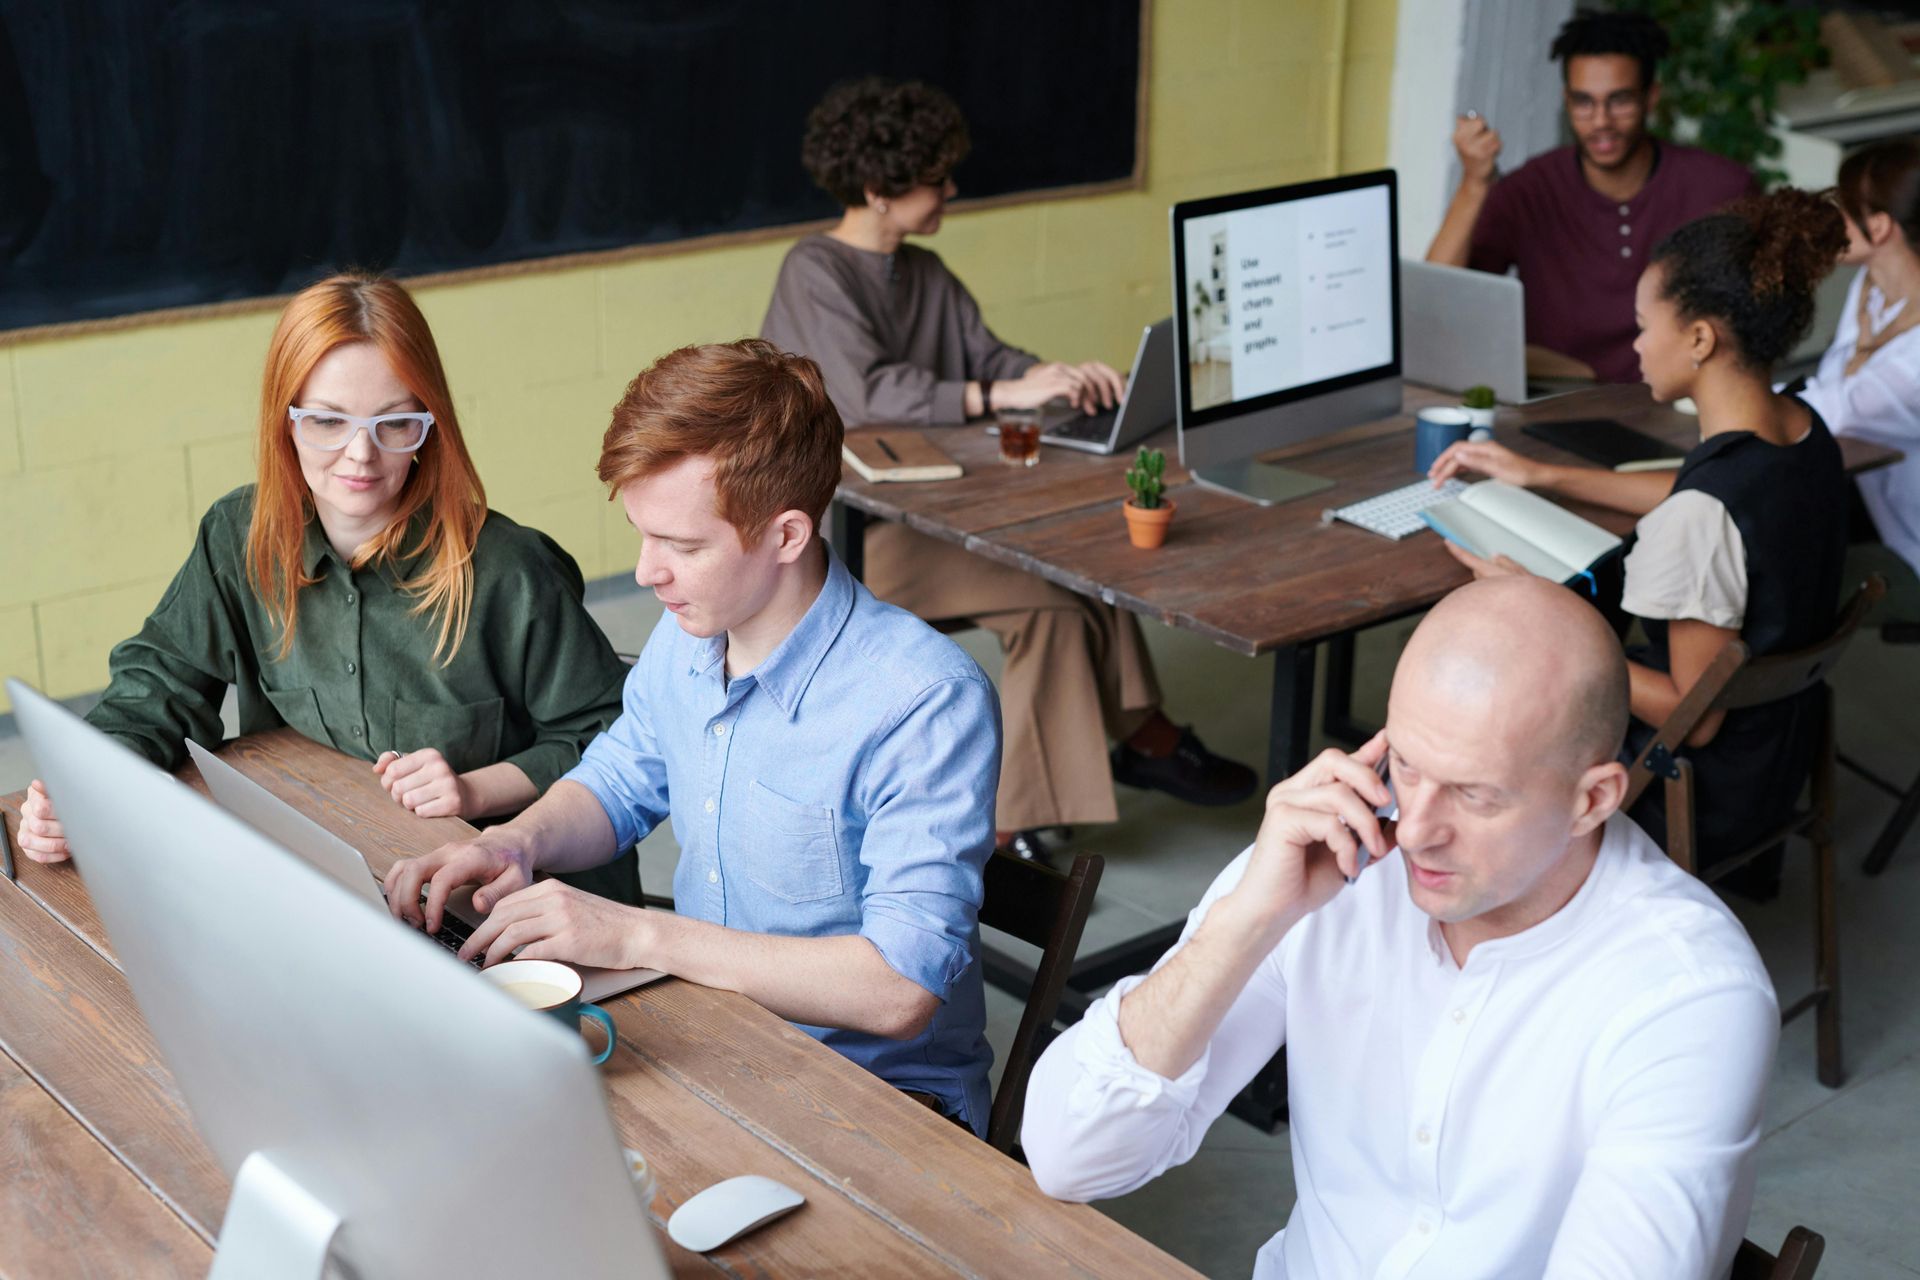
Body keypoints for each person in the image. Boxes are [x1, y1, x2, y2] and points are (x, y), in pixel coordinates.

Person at [1022, 576, 1778, 1279]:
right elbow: (1070, 1155)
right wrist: (1248, 917)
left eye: (1475, 796)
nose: (1413, 830)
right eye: (1406, 766)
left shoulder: (1691, 996)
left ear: (1594, 799)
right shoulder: (1332, 856)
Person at [382, 339, 1003, 1133]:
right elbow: (617, 780)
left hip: (870, 1103)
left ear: (787, 536)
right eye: (643, 535)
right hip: (713, 1045)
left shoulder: (922, 700)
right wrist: (515, 842)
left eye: (681, 545)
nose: (646, 573)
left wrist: (639, 934)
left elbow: (898, 990)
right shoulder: (693, 633)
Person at [18, 273, 637, 902]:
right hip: (342, 862)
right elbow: (160, 682)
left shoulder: (508, 570)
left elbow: (617, 733)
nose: (359, 456)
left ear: (430, 426)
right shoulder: (240, 536)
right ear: (284, 421)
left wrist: (480, 787)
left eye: (395, 424)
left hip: (518, 896)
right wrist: (85, 780)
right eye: (327, 422)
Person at [760, 75, 1255, 861]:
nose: (951, 190)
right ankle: (1014, 819)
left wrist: (1058, 377)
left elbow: (990, 359)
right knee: (1054, 600)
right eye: (935, 179)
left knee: (1073, 572)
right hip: (851, 536)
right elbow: (861, 395)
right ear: (877, 190)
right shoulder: (813, 271)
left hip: (929, 511)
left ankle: (1127, 744)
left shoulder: (925, 273)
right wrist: (1003, 390)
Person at [1430, 190, 1850, 885]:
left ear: (1700, 339)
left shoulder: (1702, 517)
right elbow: (1706, 495)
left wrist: (1541, 616)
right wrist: (1540, 473)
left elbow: (1697, 715)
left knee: (1498, 722)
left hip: (1700, 790)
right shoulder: (1801, 431)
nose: (1634, 345)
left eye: (1642, 325)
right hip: (1779, 757)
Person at [1426, 9, 1755, 384]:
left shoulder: (1720, 187)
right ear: (1566, 101)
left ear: (1651, 97)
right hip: (1554, 401)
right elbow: (1436, 306)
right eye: (1584, 102)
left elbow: (1752, 327)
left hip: (1680, 407)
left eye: (1620, 101)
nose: (1601, 121)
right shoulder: (1532, 189)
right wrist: (1474, 183)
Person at [1797, 139, 1920, 623]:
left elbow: (1834, 411)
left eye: (1843, 208)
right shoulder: (1873, 291)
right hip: (1866, 499)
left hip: (1905, 540)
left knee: (1770, 591)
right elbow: (1832, 387)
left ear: (1881, 225)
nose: (1832, 221)